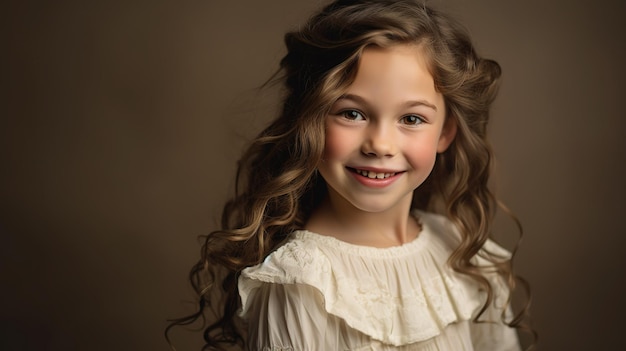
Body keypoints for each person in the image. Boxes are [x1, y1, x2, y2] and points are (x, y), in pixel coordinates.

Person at [168, 0, 534, 350]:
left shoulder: (461, 250)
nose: (380, 144)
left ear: (445, 133)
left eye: (411, 119)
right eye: (352, 113)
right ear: (308, 119)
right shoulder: (300, 284)